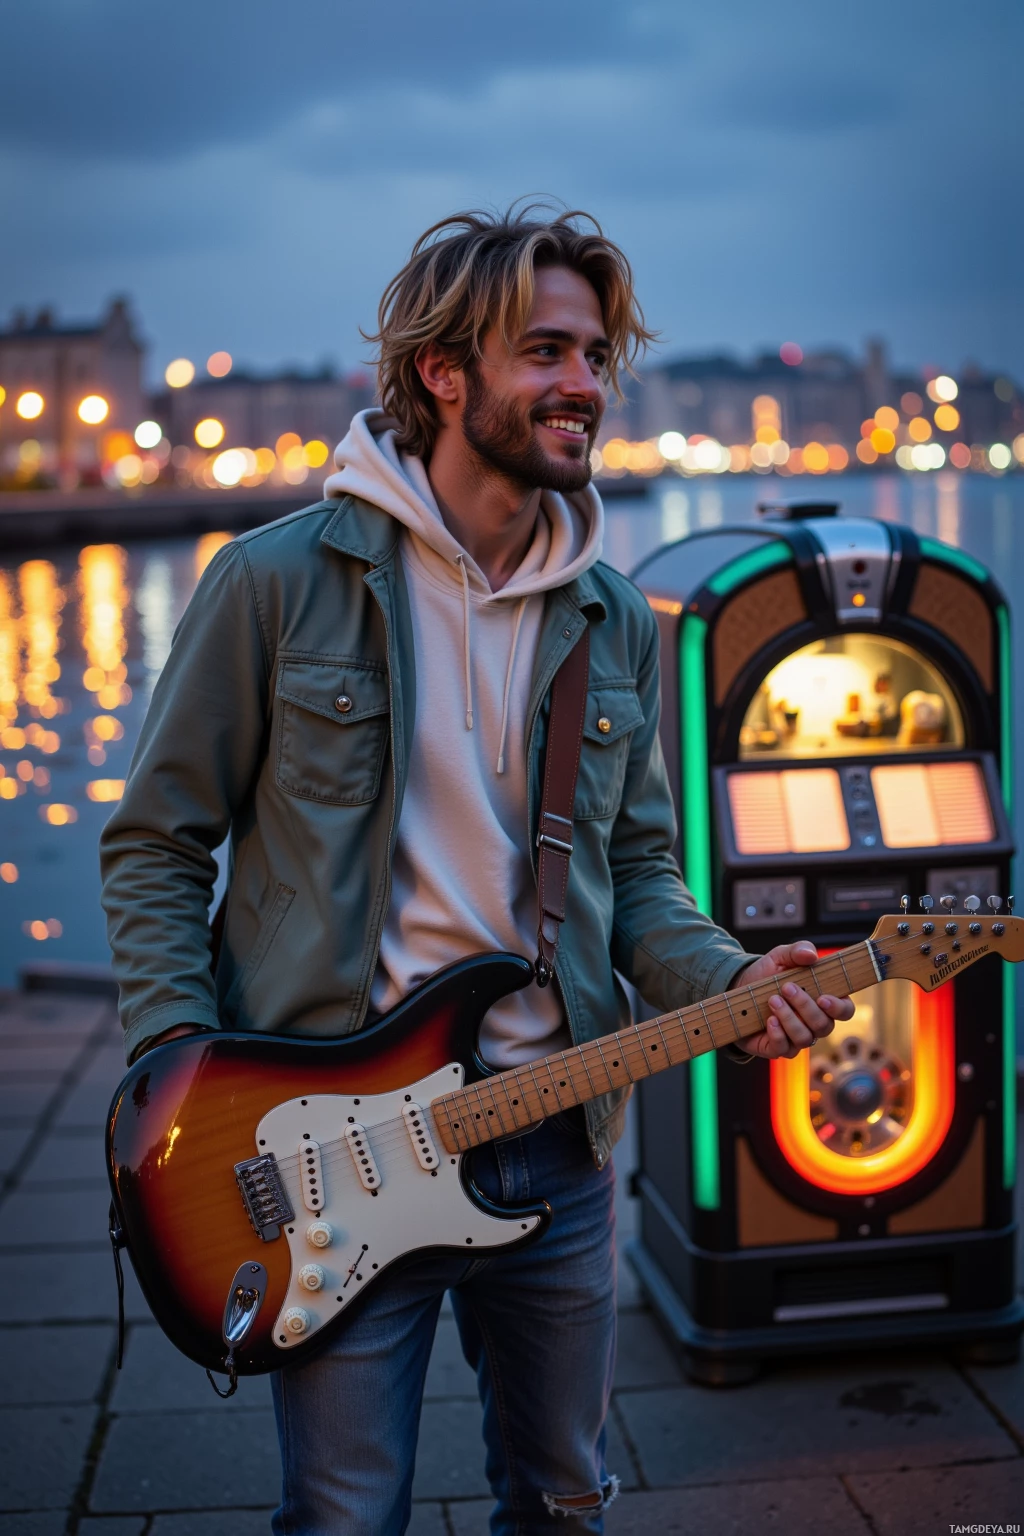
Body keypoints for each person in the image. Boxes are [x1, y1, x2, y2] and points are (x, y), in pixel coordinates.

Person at [100, 203, 852, 1536]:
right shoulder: (276, 584)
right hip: (328, 1142)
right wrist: (180, 1072)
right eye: (548, 352)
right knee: (345, 1517)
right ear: (445, 372)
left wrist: (736, 981)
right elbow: (158, 838)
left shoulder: (609, 615)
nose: (586, 387)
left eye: (598, 355)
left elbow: (640, 875)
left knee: (564, 1502)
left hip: (556, 1142)